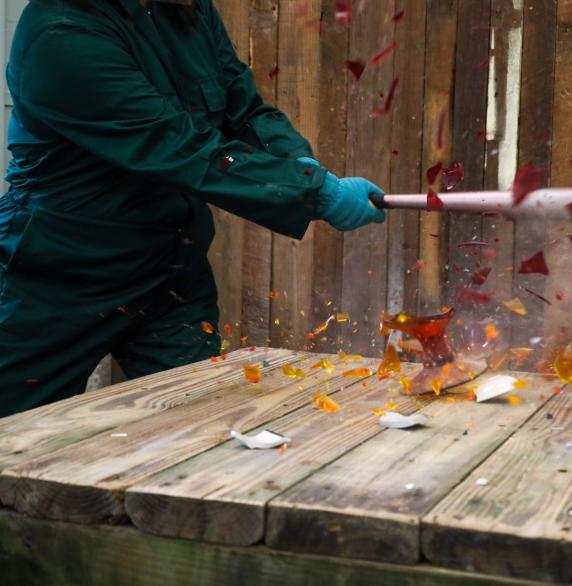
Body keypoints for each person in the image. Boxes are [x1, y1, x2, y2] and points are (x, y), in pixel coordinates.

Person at [0, 0, 386, 417]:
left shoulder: (187, 8)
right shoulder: (61, 32)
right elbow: (177, 145)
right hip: (59, 271)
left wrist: (297, 164)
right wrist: (313, 192)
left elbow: (245, 111)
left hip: (168, 270)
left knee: (205, 421)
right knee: (15, 432)